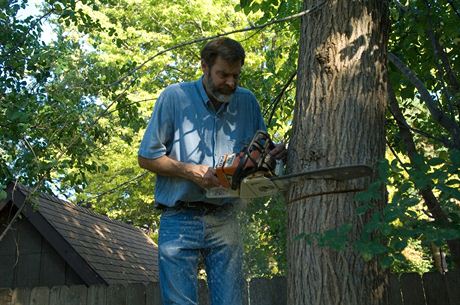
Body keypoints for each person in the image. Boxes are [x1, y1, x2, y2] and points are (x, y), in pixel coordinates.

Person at [138, 37, 286, 305]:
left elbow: (259, 154)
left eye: (236, 75)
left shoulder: (247, 102)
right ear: (204, 67)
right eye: (223, 74)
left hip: (227, 218)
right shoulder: (175, 97)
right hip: (179, 217)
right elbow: (147, 157)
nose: (230, 82)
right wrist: (190, 171)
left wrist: (269, 159)